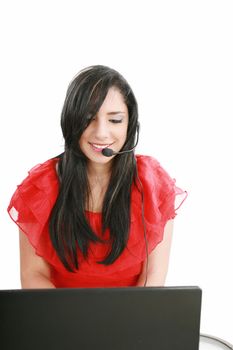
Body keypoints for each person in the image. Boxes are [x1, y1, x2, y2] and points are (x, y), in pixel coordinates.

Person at [8, 65, 186, 289]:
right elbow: (33, 274)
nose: (101, 133)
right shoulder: (40, 187)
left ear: (130, 125)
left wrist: (128, 322)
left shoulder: (153, 184)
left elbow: (153, 275)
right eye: (88, 118)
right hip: (60, 319)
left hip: (131, 319)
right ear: (71, 121)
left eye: (115, 120)